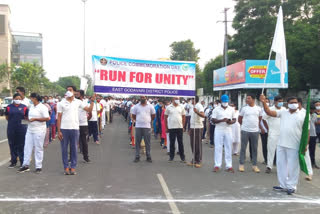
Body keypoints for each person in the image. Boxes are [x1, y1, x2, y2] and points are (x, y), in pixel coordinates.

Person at [260, 95, 305, 195]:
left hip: (295, 144)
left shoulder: (303, 114)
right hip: (281, 143)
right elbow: (269, 112)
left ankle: (292, 186)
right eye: (291, 102)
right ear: (288, 104)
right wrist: (263, 102)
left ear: (298, 104)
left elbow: (307, 131)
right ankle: (283, 185)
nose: (294, 104)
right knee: (281, 165)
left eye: (295, 102)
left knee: (293, 166)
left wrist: (305, 145)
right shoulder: (283, 112)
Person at [57, 86, 94, 175]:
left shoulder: (78, 102)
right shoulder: (61, 103)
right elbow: (59, 117)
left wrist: (93, 101)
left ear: (74, 92)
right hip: (64, 129)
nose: (68, 91)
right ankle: (66, 167)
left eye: (70, 90)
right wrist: (59, 131)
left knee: (74, 148)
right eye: (67, 90)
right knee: (64, 149)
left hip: (75, 128)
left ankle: (73, 167)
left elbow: (88, 110)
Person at [18, 93, 50, 174]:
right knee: (27, 147)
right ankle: (25, 165)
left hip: (39, 130)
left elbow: (47, 118)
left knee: (38, 148)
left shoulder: (42, 107)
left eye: (31, 98)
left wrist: (35, 119)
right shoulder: (31, 106)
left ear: (35, 98)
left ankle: (38, 166)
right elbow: (30, 117)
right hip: (30, 129)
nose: (30, 99)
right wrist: (27, 119)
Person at [211, 95, 236, 172]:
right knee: (218, 147)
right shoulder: (216, 109)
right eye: (224, 101)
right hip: (219, 129)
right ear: (221, 101)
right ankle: (217, 165)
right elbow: (213, 120)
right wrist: (221, 120)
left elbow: (234, 119)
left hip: (228, 129)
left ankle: (229, 165)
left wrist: (230, 122)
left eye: (226, 101)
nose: (225, 103)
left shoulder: (231, 109)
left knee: (228, 147)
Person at [238, 94, 262, 173]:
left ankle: (254, 165)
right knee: (243, 148)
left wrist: (258, 128)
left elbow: (260, 119)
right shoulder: (244, 108)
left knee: (255, 149)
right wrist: (244, 126)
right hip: (245, 130)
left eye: (249, 98)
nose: (247, 100)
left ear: (253, 99)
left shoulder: (258, 108)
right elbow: (240, 119)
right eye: (246, 98)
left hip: (255, 131)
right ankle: (241, 164)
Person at [5, 93, 28, 168]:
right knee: (12, 145)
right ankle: (13, 161)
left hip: (21, 129)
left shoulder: (24, 107)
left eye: (19, 99)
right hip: (11, 128)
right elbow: (7, 117)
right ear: (13, 99)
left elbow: (26, 118)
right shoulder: (9, 107)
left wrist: (23, 126)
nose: (18, 100)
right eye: (16, 98)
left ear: (21, 99)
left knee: (21, 145)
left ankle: (22, 161)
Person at [263, 95, 284, 173]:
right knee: (271, 150)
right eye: (279, 101)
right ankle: (269, 166)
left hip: (282, 133)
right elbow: (264, 119)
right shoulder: (270, 109)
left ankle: (281, 167)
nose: (281, 103)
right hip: (273, 133)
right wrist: (267, 128)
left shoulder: (284, 109)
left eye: (282, 101)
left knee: (282, 151)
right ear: (275, 102)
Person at [131, 96, 156, 163]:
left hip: (147, 126)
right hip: (138, 126)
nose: (142, 98)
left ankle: (148, 156)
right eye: (141, 97)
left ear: (146, 98)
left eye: (144, 97)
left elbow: (153, 115)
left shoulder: (150, 106)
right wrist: (139, 120)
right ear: (140, 98)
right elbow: (133, 116)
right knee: (137, 142)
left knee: (147, 142)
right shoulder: (136, 106)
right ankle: (137, 156)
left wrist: (148, 120)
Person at [165, 97, 186, 162]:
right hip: (171, 127)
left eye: (178, 99)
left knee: (180, 143)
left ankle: (182, 157)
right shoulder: (169, 107)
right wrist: (166, 127)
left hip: (179, 127)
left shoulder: (181, 107)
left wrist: (183, 126)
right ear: (172, 100)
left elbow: (183, 117)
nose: (177, 100)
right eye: (176, 99)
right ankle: (171, 157)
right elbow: (165, 117)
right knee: (172, 143)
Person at [188, 96, 205, 168]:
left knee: (197, 144)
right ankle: (194, 159)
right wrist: (189, 128)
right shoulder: (193, 107)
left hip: (198, 127)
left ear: (194, 100)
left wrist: (197, 112)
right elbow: (191, 118)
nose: (191, 101)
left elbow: (203, 115)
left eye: (192, 99)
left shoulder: (199, 106)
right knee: (192, 144)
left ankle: (198, 160)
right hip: (193, 127)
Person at [75, 90, 91, 163]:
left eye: (77, 94)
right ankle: (71, 157)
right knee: (73, 142)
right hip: (74, 124)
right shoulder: (73, 102)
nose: (75, 95)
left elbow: (90, 114)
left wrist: (85, 120)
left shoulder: (85, 103)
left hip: (83, 125)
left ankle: (86, 157)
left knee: (84, 141)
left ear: (81, 95)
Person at [309, 101, 320, 169]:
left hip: (313, 134)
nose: (312, 111)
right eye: (311, 110)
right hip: (306, 134)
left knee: (312, 149)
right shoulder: (305, 114)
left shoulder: (315, 115)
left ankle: (313, 163)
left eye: (313, 110)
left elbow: (315, 123)